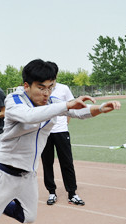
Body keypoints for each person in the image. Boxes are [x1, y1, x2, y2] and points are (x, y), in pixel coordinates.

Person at [0, 59, 121, 224]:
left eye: (50, 87)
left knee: (29, 216)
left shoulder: (52, 102)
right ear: (27, 86)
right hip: (5, 173)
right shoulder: (14, 100)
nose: (46, 93)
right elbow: (30, 116)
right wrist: (65, 105)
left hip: (28, 174)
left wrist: (100, 109)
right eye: (41, 88)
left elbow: (78, 112)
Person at [41, 61, 85, 206]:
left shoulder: (63, 89)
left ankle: (72, 193)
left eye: (52, 77)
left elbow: (72, 108)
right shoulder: (42, 89)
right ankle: (51, 192)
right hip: (45, 132)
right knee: (47, 163)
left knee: (67, 162)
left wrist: (65, 123)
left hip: (61, 131)